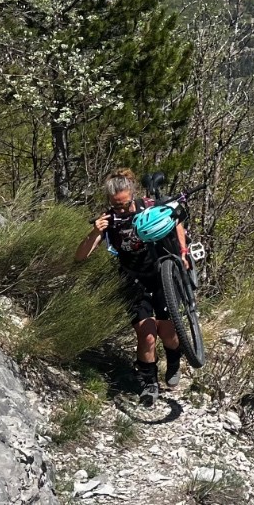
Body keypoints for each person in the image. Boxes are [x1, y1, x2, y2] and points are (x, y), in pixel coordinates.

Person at [75, 168, 191, 403]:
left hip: (161, 274)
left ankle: (174, 361)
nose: (122, 209)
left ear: (132, 196)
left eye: (125, 204)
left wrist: (183, 252)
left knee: (168, 332)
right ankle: (149, 383)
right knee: (147, 336)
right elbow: (80, 257)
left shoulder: (148, 206)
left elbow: (176, 223)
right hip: (132, 279)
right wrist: (94, 232)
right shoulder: (109, 221)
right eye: (116, 205)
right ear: (109, 202)